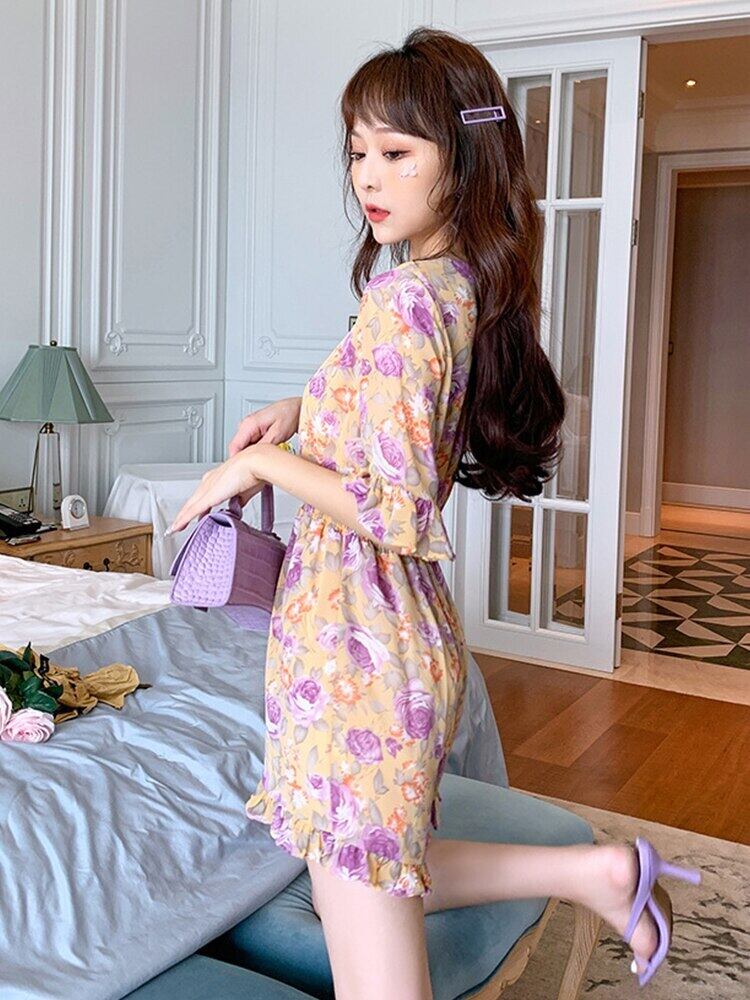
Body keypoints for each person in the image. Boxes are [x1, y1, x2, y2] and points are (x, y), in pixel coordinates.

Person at [168, 26, 701, 1000]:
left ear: (462, 159)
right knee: (357, 879)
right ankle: (594, 873)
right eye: (358, 152)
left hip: (360, 659)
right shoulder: (451, 286)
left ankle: (596, 874)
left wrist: (256, 464)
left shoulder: (405, 301)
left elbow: (400, 506)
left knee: (372, 941)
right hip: (373, 643)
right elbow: (394, 419)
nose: (369, 177)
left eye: (397, 152)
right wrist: (299, 412)